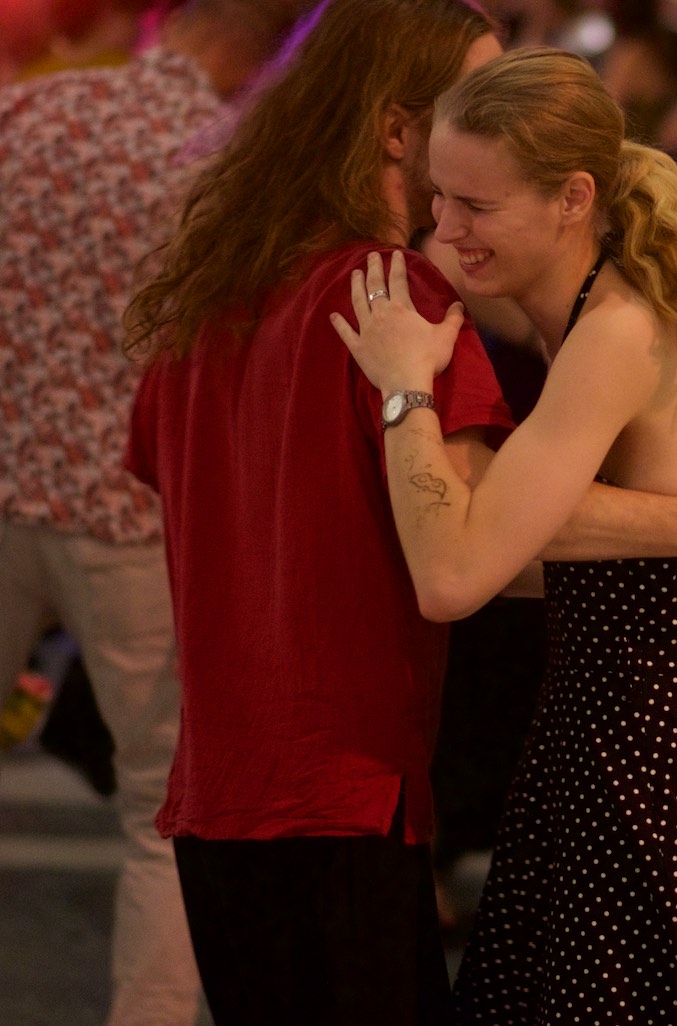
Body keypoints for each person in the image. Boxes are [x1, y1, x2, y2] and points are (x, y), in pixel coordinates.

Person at [122, 3, 677, 1022]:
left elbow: (200, 485)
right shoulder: (397, 297)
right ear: (397, 128)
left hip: (218, 785)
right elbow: (475, 538)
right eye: (472, 93)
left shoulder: (214, 295)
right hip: (343, 778)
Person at [331, 46, 677, 1025]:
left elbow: (452, 575)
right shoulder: (577, 304)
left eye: (476, 206)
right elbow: (540, 563)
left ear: (573, 198)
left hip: (643, 760)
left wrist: (405, 387)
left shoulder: (615, 332)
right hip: (610, 742)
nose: (443, 228)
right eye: (438, 197)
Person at [0, 1, 305, 1021]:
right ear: (269, 50)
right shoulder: (225, 160)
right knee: (162, 811)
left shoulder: (31, 112)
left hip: (5, 477)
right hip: (135, 513)